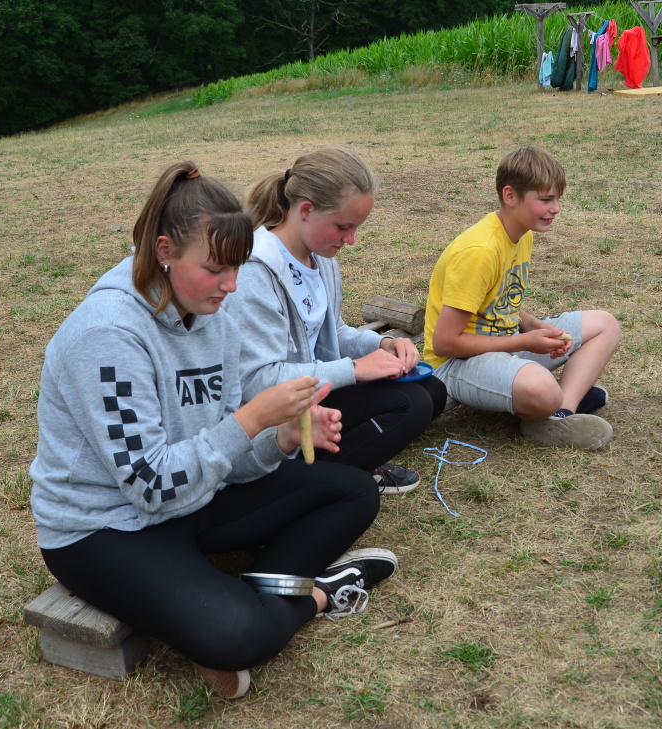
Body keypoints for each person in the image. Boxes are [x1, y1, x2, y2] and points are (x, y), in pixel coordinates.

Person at [29, 161, 399, 700]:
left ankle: (257, 592)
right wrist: (254, 418)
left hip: (194, 499)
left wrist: (280, 439)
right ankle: (316, 594)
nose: (231, 286)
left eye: (237, 267)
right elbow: (152, 487)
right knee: (236, 636)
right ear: (164, 251)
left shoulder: (214, 316)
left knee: (354, 491)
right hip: (106, 527)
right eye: (214, 269)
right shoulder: (107, 335)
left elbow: (224, 456)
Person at [223, 146, 446, 494]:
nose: (351, 240)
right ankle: (311, 483)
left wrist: (383, 345)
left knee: (431, 389)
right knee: (412, 404)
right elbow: (256, 382)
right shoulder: (255, 273)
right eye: (343, 226)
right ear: (306, 210)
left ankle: (345, 459)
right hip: (270, 420)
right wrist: (354, 369)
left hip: (310, 394)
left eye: (356, 227)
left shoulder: (320, 256)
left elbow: (333, 333)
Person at [422, 146, 620, 450]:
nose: (556, 208)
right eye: (546, 199)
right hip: (456, 365)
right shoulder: (480, 252)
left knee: (605, 324)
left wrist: (536, 326)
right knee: (542, 389)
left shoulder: (521, 232)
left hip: (504, 343)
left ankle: (560, 414)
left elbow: (499, 302)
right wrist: (524, 341)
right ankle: (547, 402)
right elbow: (445, 343)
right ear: (510, 196)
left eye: (557, 199)